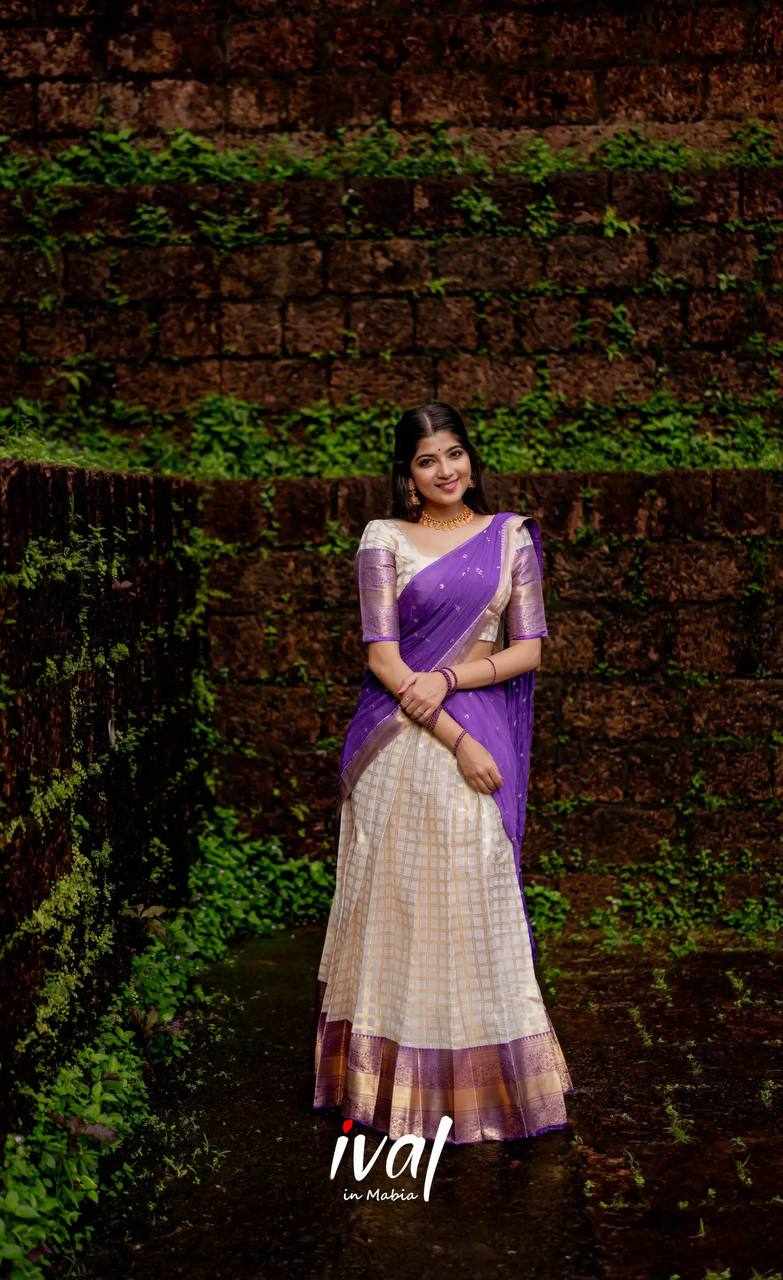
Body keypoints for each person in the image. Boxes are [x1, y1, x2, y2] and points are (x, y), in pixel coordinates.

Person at [312, 402, 574, 1145]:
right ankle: (386, 1087)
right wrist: (454, 734)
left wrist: (453, 681)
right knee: (397, 907)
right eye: (427, 460)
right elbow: (382, 657)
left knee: (473, 897)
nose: (445, 470)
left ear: (471, 458)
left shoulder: (509, 538)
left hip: (476, 719)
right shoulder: (384, 539)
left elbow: (528, 648)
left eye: (453, 454)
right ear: (407, 475)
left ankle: (482, 1085)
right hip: (399, 742)